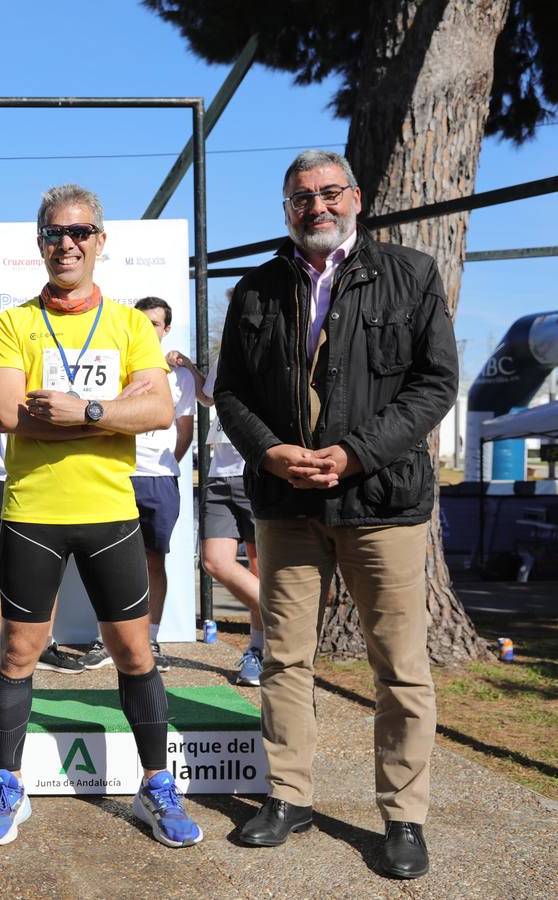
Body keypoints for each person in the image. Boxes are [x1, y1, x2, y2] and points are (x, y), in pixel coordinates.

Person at [215, 150, 457, 879]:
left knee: (401, 668)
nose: (315, 206)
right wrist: (270, 453)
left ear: (355, 197)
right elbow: (230, 394)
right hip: (287, 504)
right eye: (299, 198)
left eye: (327, 193)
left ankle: (404, 818)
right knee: (286, 657)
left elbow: (434, 384)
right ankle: (289, 797)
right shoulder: (255, 289)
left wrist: (354, 454)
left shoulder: (410, 275)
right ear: (284, 209)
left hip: (382, 504)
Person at [0, 184, 202, 849]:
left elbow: (157, 412)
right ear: (39, 242)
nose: (65, 243)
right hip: (33, 514)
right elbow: (13, 416)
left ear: (100, 240)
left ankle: (156, 784)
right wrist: (108, 412)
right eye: (52, 233)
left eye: (78, 232)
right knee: (19, 651)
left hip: (110, 514)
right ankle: (10, 783)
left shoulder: (131, 323)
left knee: (133, 651)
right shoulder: (14, 323)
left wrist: (80, 412)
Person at [82, 297, 195, 672]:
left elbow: (184, 431)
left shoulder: (180, 376)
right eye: (141, 323)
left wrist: (163, 465)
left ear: (166, 330)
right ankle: (105, 639)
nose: (148, 330)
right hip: (117, 474)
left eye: (156, 324)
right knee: (106, 562)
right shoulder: (113, 367)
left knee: (153, 562)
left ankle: (151, 638)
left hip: (160, 480)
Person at [188, 343, 265, 687]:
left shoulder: (275, 350)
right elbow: (208, 398)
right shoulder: (225, 356)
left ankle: (258, 651)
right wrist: (188, 366)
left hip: (259, 472)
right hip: (219, 473)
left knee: (258, 567)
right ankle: (287, 619)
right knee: (215, 561)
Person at [0, 429, 83, 673]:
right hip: (9, 477)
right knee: (1, 562)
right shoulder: (4, 388)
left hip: (52, 479)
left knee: (52, 561)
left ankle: (45, 645)